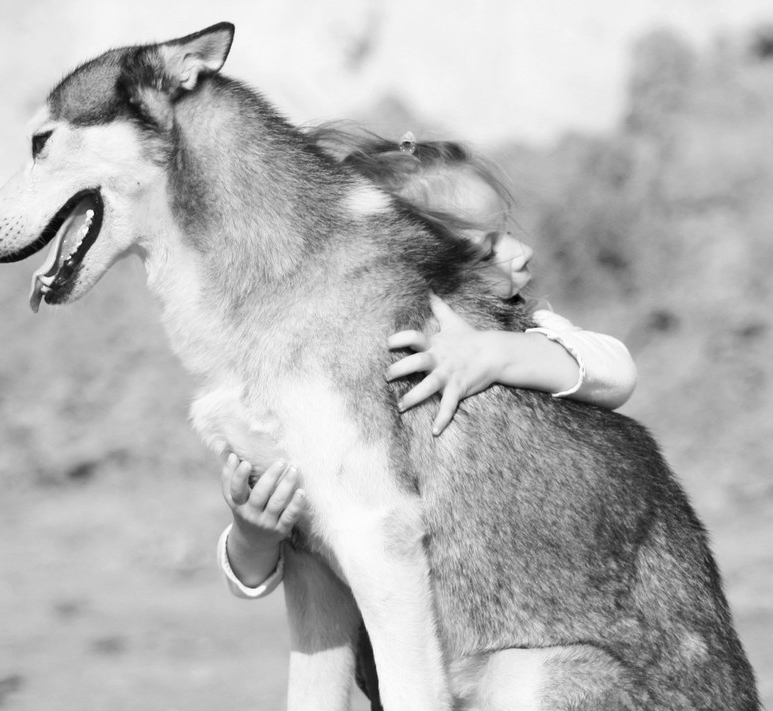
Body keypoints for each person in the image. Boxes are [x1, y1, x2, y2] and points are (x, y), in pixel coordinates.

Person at [218, 129, 637, 598]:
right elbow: (257, 577)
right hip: (392, 649)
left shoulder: (519, 325)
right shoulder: (335, 374)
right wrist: (253, 536)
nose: (523, 253)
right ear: (411, 264)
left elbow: (616, 372)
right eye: (486, 247)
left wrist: (493, 351)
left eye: (508, 235)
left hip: (504, 617)